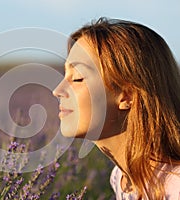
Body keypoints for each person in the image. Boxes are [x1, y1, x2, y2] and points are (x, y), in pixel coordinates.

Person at [53, 17, 180, 199]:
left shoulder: (174, 188)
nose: (57, 91)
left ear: (127, 95)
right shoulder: (121, 178)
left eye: (77, 78)